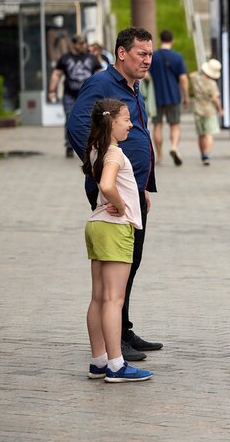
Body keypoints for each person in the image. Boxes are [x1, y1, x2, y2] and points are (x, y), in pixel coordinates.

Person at [67, 26, 161, 362]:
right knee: (117, 266)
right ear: (122, 53)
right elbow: (78, 125)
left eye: (150, 54)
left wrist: (143, 187)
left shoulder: (134, 88)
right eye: (141, 53)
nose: (147, 60)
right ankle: (115, 340)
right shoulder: (101, 84)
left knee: (130, 263)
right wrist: (102, 168)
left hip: (133, 191)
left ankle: (123, 328)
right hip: (114, 196)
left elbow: (140, 137)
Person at [81, 97, 153, 383]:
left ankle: (99, 360)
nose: (131, 125)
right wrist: (122, 205)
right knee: (114, 299)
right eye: (126, 120)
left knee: (99, 297)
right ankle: (116, 364)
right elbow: (108, 185)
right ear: (112, 123)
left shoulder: (96, 150)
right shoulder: (113, 153)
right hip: (115, 228)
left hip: (97, 226)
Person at [48, 34, 98, 158]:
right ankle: (69, 146)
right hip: (70, 94)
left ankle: (88, 145)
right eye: (80, 43)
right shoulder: (65, 58)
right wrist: (52, 90)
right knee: (70, 119)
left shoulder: (91, 58)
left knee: (89, 120)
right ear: (74, 44)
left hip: (87, 95)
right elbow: (56, 74)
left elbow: (100, 73)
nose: (82, 46)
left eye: (84, 43)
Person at [148, 29, 189, 166]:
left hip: (157, 97)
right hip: (173, 95)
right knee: (175, 125)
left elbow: (146, 75)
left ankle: (159, 155)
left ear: (160, 40)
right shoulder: (177, 57)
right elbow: (183, 79)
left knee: (157, 125)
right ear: (172, 41)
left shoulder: (154, 56)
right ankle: (174, 147)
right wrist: (186, 96)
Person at [189, 59, 224, 165]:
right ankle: (207, 154)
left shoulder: (196, 79)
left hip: (198, 110)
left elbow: (190, 75)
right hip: (209, 111)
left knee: (201, 134)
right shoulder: (212, 84)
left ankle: (202, 153)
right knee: (209, 134)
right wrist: (220, 110)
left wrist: (201, 71)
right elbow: (214, 99)